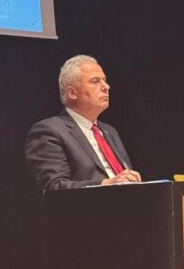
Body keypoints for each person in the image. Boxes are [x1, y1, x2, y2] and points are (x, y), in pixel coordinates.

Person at [25, 54, 141, 191]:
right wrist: (107, 184)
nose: (106, 87)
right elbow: (54, 187)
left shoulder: (110, 131)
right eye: (95, 81)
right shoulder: (49, 131)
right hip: (90, 204)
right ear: (72, 93)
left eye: (104, 80)